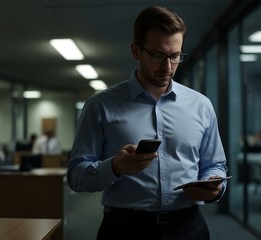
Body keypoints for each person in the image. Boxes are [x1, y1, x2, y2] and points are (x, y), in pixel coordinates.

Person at [67, 6, 228, 240]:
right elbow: (75, 177)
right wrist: (115, 167)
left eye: (175, 56)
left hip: (188, 228)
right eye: (157, 55)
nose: (168, 66)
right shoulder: (100, 106)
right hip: (125, 229)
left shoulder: (201, 105)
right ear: (136, 50)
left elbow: (215, 165)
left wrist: (214, 187)